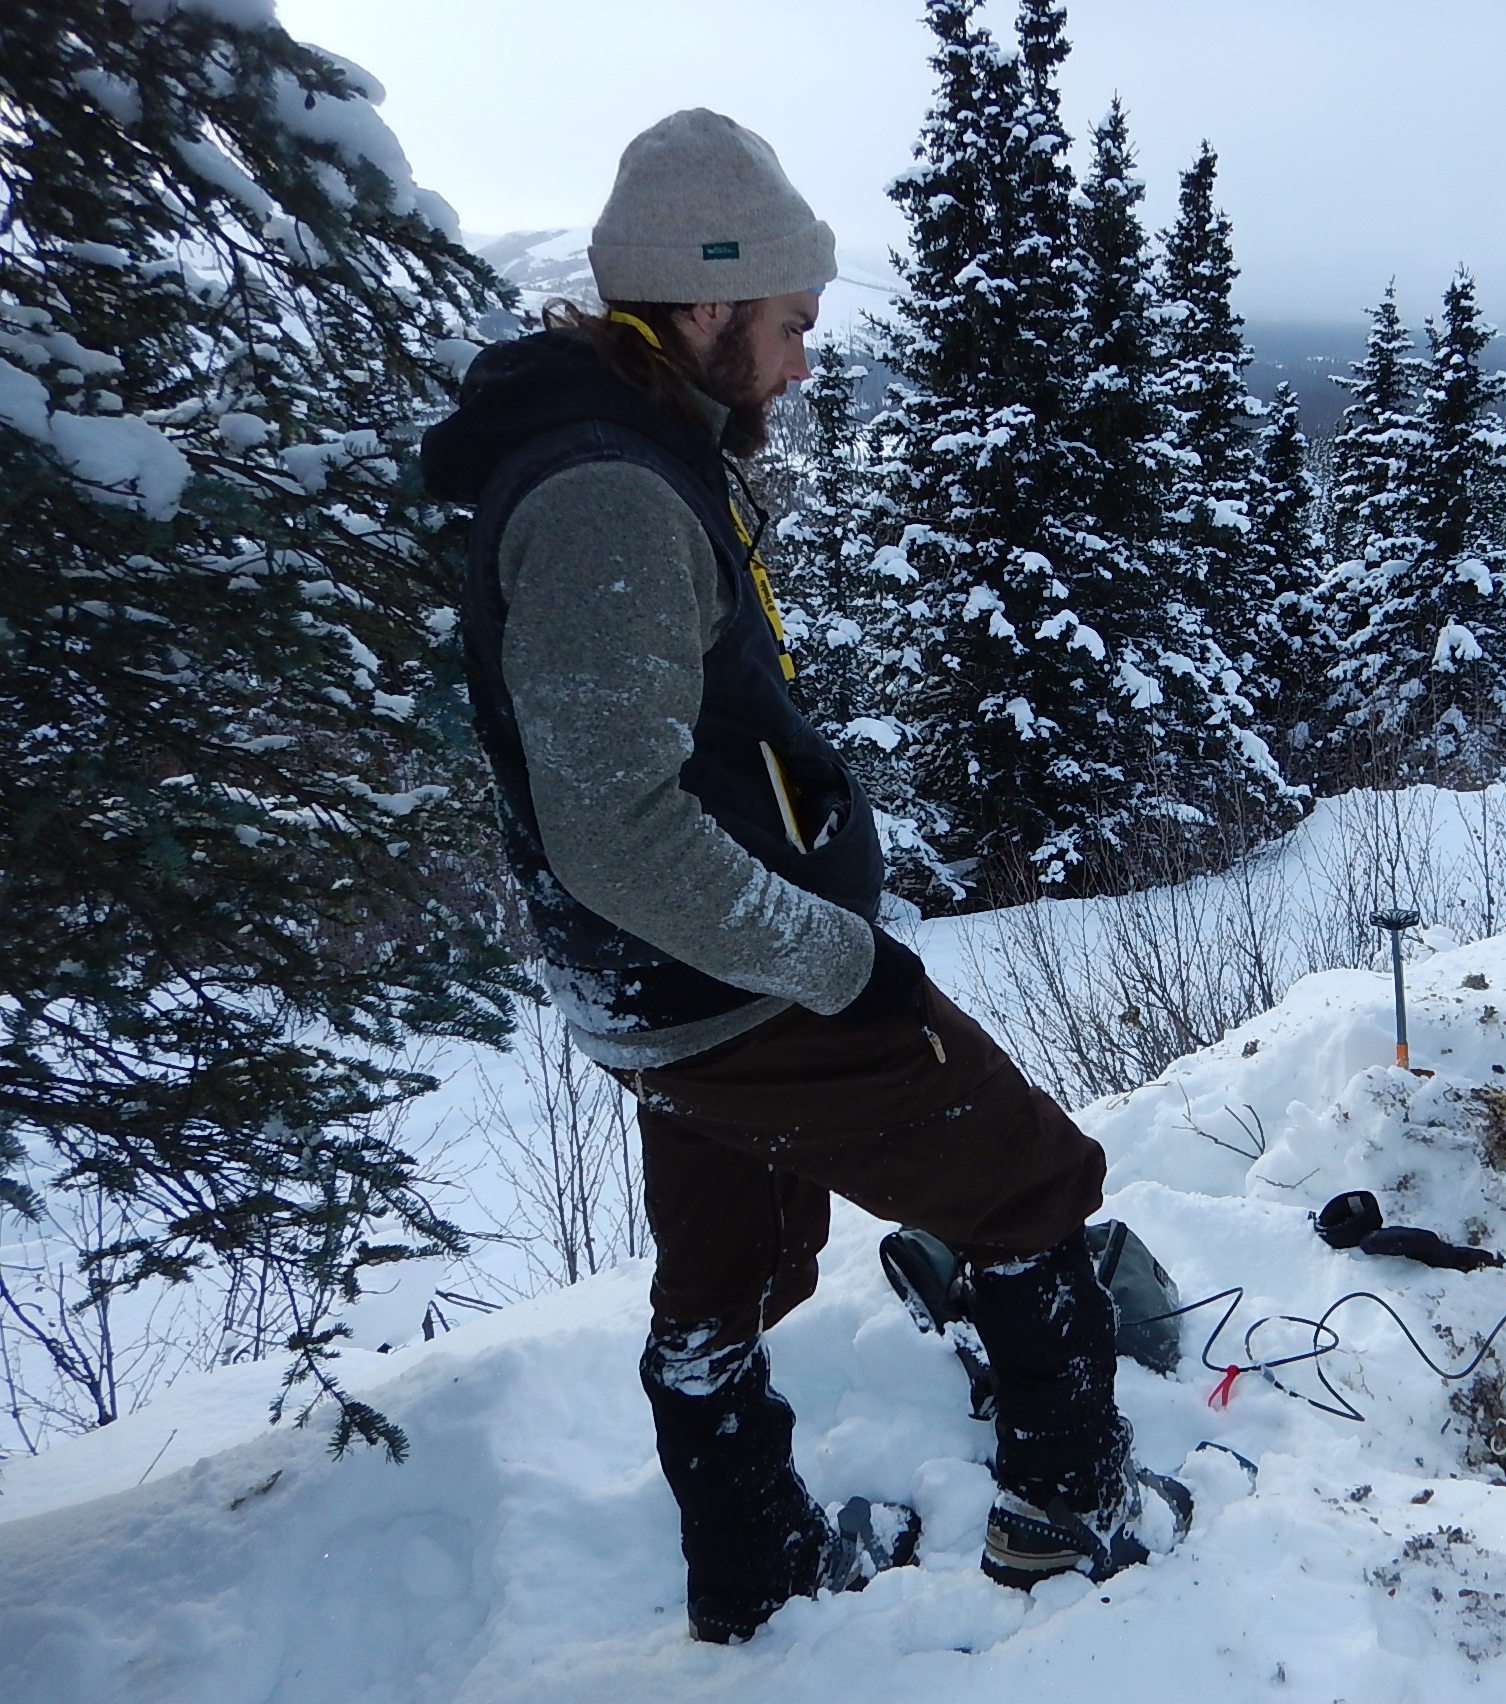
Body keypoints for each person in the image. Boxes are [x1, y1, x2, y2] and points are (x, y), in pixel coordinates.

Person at [422, 108, 1188, 1646]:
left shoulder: (633, 450)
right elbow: (618, 828)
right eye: (787, 323)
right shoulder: (609, 497)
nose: (804, 356)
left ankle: (755, 1573)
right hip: (729, 979)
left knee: (731, 1273)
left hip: (667, 985)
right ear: (699, 305)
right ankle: (1069, 1516)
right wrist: (845, 964)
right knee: (1030, 1186)